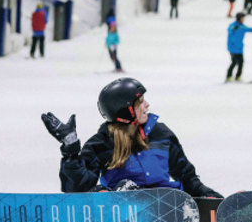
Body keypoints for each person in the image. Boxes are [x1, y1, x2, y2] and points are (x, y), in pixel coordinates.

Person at [42, 78, 222, 198]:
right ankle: (122, 196)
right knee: (106, 190)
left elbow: (187, 177)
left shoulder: (161, 134)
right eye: (140, 102)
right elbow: (77, 189)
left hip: (167, 205)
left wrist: (212, 199)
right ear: (125, 109)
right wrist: (71, 150)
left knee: (179, 190)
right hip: (123, 209)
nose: (147, 105)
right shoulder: (102, 143)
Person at [226, 12, 252, 82]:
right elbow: (230, 30)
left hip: (239, 48)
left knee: (241, 62)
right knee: (234, 62)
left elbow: (250, 29)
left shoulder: (242, 27)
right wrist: (233, 29)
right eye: (242, 18)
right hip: (232, 48)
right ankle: (228, 76)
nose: (243, 19)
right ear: (238, 18)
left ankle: (238, 76)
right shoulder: (233, 25)